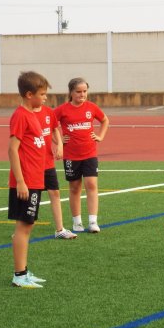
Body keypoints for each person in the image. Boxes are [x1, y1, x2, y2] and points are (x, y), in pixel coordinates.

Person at [8, 71, 52, 288]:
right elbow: (12, 150)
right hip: (26, 182)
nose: (45, 98)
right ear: (28, 94)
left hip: (35, 179)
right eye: (42, 94)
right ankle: (19, 274)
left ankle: (23, 271)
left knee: (27, 226)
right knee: (23, 227)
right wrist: (20, 181)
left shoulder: (32, 115)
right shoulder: (20, 115)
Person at [54, 77, 110, 233]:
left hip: (89, 153)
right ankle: (77, 222)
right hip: (71, 156)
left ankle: (93, 221)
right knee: (74, 188)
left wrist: (100, 136)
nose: (82, 94)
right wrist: (58, 140)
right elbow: (49, 125)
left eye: (85, 91)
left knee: (91, 184)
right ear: (71, 92)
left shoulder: (91, 107)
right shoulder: (63, 109)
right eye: (78, 91)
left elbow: (105, 120)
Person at [33, 103, 77, 239]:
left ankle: (59, 230)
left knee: (55, 192)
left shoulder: (48, 112)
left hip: (48, 162)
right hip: (32, 164)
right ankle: (23, 230)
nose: (45, 97)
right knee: (32, 197)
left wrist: (59, 144)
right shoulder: (24, 114)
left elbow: (54, 129)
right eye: (42, 94)